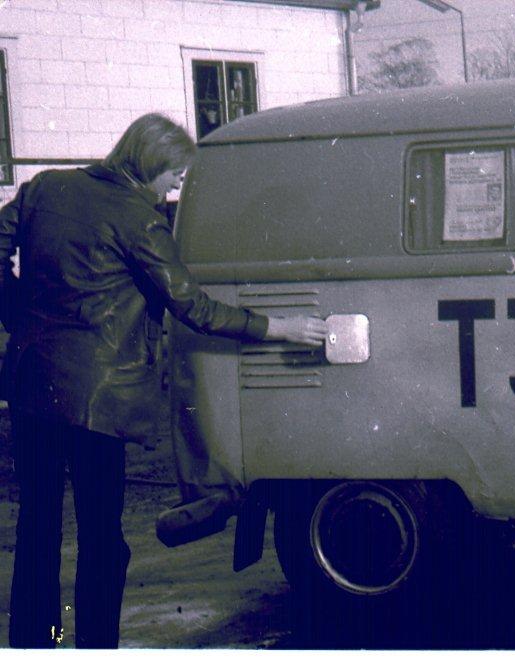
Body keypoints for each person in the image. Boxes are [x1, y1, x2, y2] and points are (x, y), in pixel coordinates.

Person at [0, 113, 328, 648]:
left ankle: (38, 646)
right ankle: (95, 650)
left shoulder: (45, 188)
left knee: (38, 527)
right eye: (174, 176)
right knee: (101, 538)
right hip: (97, 403)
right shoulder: (139, 219)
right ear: (151, 163)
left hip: (32, 386)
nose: (174, 188)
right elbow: (192, 306)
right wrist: (278, 327)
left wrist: (13, 309)